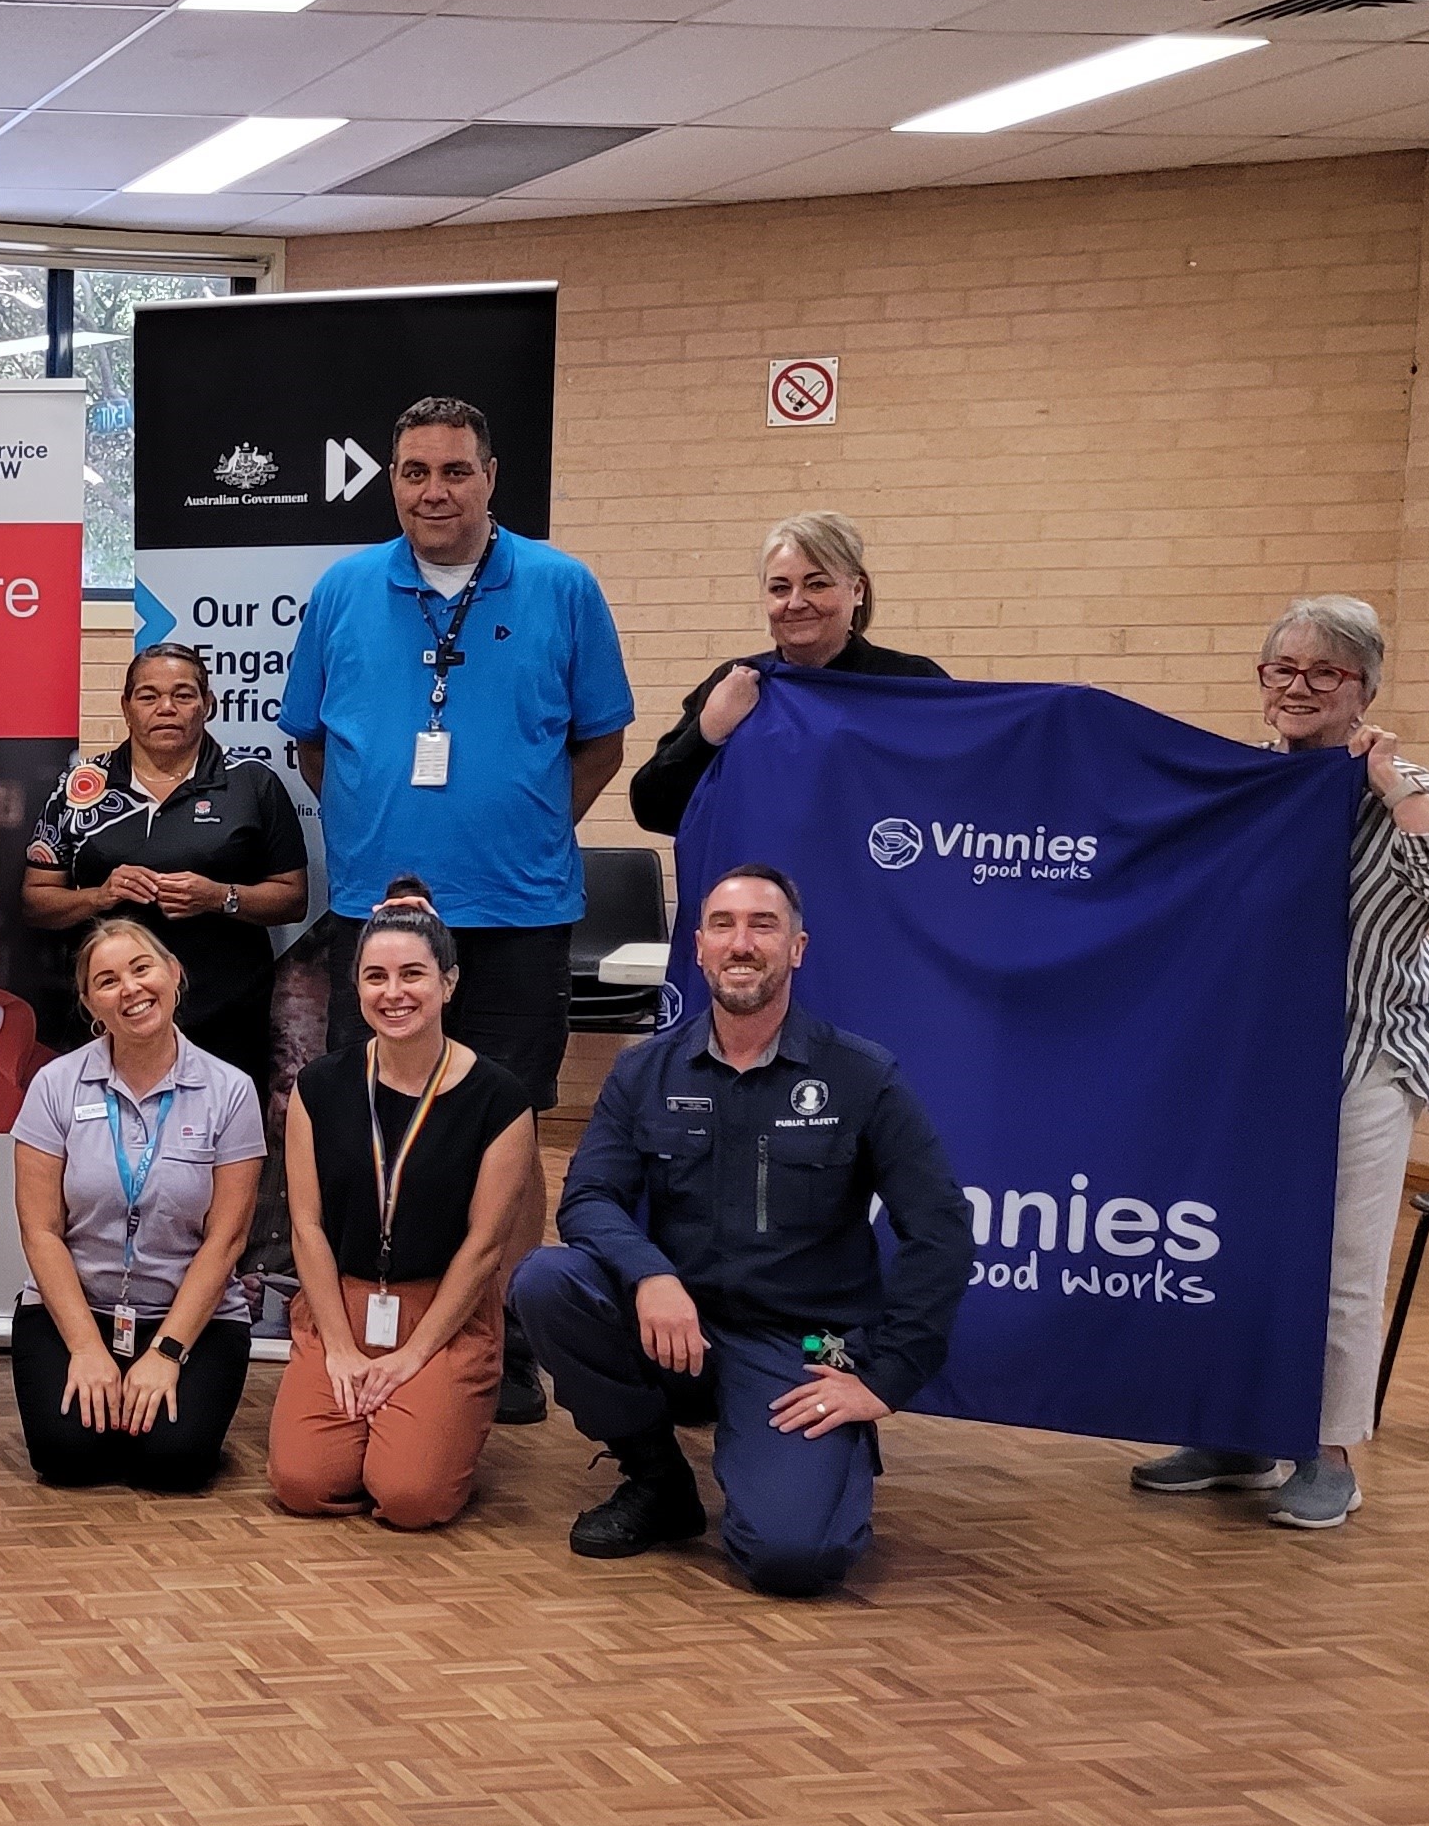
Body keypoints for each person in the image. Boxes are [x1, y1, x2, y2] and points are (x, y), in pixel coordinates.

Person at [278, 394, 633, 1427]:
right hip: (377, 920)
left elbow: (601, 742)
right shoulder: (345, 589)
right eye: (415, 471)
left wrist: (524, 828)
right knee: (371, 1139)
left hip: (518, 914)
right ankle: (361, 1320)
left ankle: (504, 1340)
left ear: (491, 476)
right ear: (391, 479)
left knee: (507, 1139)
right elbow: (313, 744)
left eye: (456, 471)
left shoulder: (562, 586)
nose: (435, 490)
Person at [1132, 595, 1429, 1530]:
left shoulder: (1398, 784)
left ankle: (1330, 1451)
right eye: (1282, 670)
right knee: (1228, 1245)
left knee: (1339, 1262)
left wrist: (1389, 782)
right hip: (1247, 1063)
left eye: (1326, 673)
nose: (1299, 688)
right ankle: (1233, 1432)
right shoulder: (1243, 785)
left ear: (1365, 689)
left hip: (1364, 1054)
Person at [512, 866, 971, 1599]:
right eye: (723, 925)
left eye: (764, 925)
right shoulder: (645, 1071)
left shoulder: (860, 1076)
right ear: (697, 948)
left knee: (797, 1559)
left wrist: (884, 1380)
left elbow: (941, 1232)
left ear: (797, 948)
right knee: (547, 1280)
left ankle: (810, 1459)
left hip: (800, 1342)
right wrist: (651, 1274)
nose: (742, 943)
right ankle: (658, 1482)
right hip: (676, 1326)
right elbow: (590, 1196)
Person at [271, 908, 540, 1530]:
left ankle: (415, 1430)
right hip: (339, 1304)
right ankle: (369, 1431)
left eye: (412, 975)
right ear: (356, 985)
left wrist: (411, 1358)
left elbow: (483, 1247)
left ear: (448, 983)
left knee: (411, 1499)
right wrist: (338, 1348)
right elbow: (307, 1227)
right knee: (302, 1484)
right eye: (375, 977)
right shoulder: (319, 1086)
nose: (393, 994)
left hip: (440, 1312)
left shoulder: (500, 1099)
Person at [8, 917, 265, 1491]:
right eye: (107, 980)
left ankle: (160, 1421)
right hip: (77, 1311)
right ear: (89, 1003)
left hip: (191, 1321)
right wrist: (86, 1348)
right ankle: (117, 1412)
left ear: (174, 974)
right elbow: (40, 1231)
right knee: (65, 1457)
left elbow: (227, 1240)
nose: (130, 988)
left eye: (142, 968)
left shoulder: (230, 1090)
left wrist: (166, 1354)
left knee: (175, 1466)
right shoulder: (55, 1085)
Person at [21, 640, 309, 1085]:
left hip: (225, 1018)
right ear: (127, 706)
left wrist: (220, 897)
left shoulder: (253, 784)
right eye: (149, 696)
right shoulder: (81, 787)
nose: (166, 708)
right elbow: (36, 902)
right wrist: (101, 896)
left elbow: (293, 899)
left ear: (208, 704)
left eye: (183, 694)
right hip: (111, 1017)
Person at [629, 511, 949, 834]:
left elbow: (960, 792)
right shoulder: (735, 682)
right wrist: (707, 732)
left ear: (857, 590)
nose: (796, 602)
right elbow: (652, 809)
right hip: (766, 881)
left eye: (817, 584)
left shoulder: (911, 684)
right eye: (780, 589)